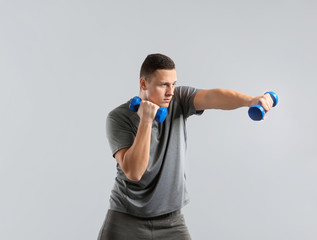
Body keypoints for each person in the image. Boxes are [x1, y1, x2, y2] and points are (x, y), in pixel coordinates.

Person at [97, 53, 274, 240]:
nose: (170, 91)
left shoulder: (179, 100)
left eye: (173, 84)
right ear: (143, 84)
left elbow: (213, 97)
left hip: (171, 221)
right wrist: (146, 122)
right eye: (164, 84)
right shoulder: (119, 117)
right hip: (126, 220)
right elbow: (134, 172)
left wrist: (250, 101)